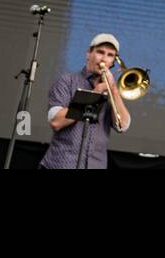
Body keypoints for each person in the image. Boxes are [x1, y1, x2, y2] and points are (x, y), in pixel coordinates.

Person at [37, 34, 131, 169]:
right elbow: (55, 121)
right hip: (60, 164)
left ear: (113, 62)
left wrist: (114, 90)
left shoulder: (111, 91)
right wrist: (96, 94)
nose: (104, 58)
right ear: (88, 54)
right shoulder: (67, 81)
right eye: (100, 52)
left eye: (110, 55)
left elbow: (123, 126)